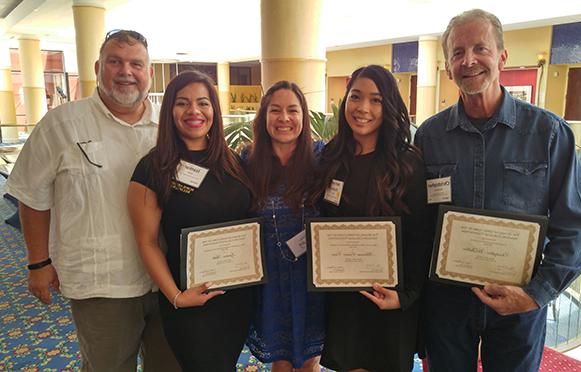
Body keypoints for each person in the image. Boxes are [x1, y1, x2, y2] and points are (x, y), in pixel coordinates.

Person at [414, 9, 581, 372]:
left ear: (501, 57)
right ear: (448, 67)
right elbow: (418, 223)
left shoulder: (548, 134)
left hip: (518, 305)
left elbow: (575, 229)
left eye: (480, 48)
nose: (469, 61)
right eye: (457, 52)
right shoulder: (429, 137)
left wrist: (535, 295)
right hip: (447, 306)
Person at [7, 30, 179, 371]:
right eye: (115, 62)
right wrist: (38, 263)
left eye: (136, 64)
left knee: (171, 365)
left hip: (169, 277)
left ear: (149, 72)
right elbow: (32, 195)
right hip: (103, 282)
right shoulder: (63, 124)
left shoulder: (170, 124)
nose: (126, 71)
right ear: (99, 67)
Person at [127, 70, 253, 371]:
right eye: (183, 103)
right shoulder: (153, 167)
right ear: (170, 110)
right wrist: (177, 297)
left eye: (203, 103)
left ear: (214, 110)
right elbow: (146, 241)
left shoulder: (232, 161)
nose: (194, 111)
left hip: (236, 297)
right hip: (191, 300)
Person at [309, 64, 432, 372]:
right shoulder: (330, 157)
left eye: (376, 100)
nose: (363, 108)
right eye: (356, 97)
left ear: (388, 106)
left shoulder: (407, 164)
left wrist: (405, 297)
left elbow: (421, 237)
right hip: (344, 298)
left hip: (388, 298)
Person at [243, 81, 325, 371]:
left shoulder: (322, 158)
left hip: (312, 277)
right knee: (280, 362)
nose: (284, 118)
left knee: (309, 362)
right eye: (275, 110)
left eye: (293, 110)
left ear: (303, 115)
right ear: (264, 117)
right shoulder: (247, 162)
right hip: (270, 278)